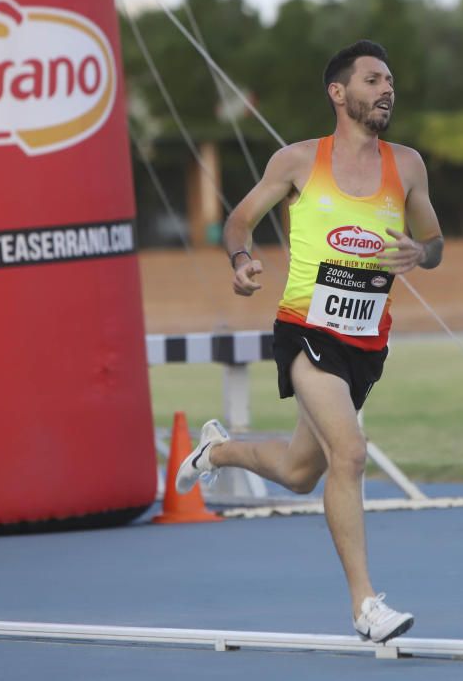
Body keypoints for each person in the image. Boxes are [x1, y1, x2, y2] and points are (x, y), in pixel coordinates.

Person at [176, 40, 443, 644]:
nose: (386, 90)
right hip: (305, 329)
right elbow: (239, 220)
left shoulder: (408, 166)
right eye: (373, 79)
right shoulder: (297, 161)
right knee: (348, 453)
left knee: (302, 472)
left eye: (390, 80)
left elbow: (435, 241)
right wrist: (242, 259)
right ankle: (365, 606)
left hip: (367, 345)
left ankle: (216, 452)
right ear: (338, 93)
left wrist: (420, 253)